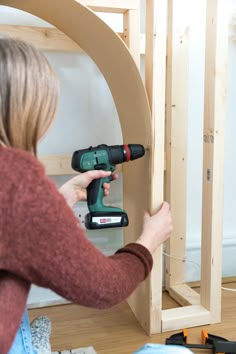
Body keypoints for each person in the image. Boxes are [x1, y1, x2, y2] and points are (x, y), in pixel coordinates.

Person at [0, 37, 173, 354]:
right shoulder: (16, 184)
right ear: (31, 109)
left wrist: (56, 202)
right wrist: (149, 241)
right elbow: (103, 289)